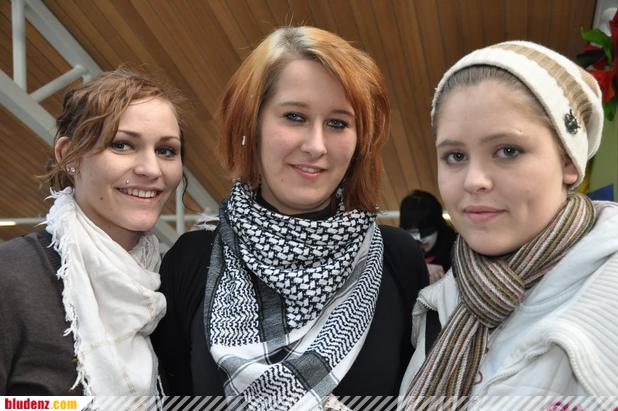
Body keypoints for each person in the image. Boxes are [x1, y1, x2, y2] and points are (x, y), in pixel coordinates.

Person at [152, 26, 429, 409]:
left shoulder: (397, 258)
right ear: (251, 125)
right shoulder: (191, 259)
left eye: (338, 123)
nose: (316, 145)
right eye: (295, 116)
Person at [399, 40, 618, 407]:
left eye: (508, 151)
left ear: (568, 161)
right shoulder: (440, 302)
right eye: (455, 156)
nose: (474, 181)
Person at [0, 68, 184, 395]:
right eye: (122, 145)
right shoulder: (11, 277)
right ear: (69, 156)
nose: (151, 169)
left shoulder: (174, 290)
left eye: (166, 150)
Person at [399, 190, 457, 283]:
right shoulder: (398, 248)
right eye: (412, 231)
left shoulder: (455, 249)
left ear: (438, 225)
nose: (420, 239)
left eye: (426, 231)